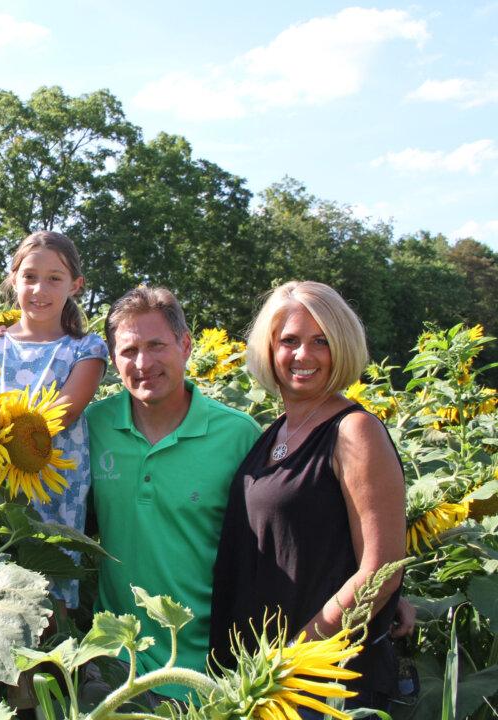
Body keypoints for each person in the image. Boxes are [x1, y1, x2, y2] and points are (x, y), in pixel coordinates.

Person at [209, 281, 406, 717]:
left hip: (320, 685)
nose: (304, 355)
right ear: (269, 349)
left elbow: (382, 569)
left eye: (321, 341)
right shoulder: (274, 431)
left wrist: (295, 658)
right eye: (289, 341)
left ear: (343, 347)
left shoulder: (355, 431)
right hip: (261, 681)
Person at [84, 286, 261, 703]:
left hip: (207, 675)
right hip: (114, 665)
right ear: (113, 360)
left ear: (185, 345)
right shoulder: (93, 426)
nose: (143, 363)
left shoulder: (237, 435)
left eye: (157, 345)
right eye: (128, 351)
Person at [0, 230, 108, 610]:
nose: (39, 289)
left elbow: (64, 411)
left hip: (53, 483)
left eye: (54, 278)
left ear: (75, 285)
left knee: (50, 581)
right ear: (13, 279)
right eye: (29, 277)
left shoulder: (85, 348)